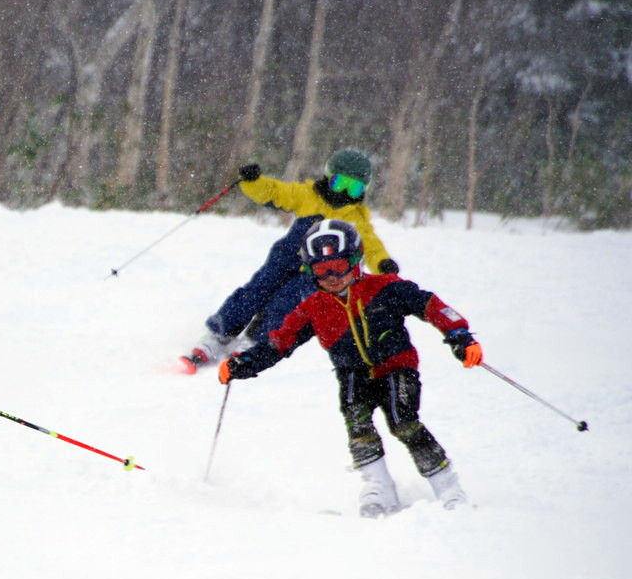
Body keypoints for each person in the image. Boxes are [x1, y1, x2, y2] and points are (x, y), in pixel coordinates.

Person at [216, 219, 481, 516]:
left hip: (396, 366)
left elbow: (431, 305)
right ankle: (378, 486)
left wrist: (459, 335)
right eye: (320, 270)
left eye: (338, 266)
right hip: (352, 372)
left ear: (356, 261)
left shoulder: (385, 288)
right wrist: (247, 362)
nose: (331, 277)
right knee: (357, 422)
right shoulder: (313, 307)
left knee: (402, 421)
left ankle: (447, 487)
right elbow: (280, 341)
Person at [181, 148, 398, 373]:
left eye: (353, 188)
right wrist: (253, 181)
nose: (343, 193)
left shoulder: (355, 218)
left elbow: (371, 246)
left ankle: (255, 341)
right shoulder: (307, 195)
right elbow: (274, 192)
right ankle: (218, 334)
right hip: (285, 258)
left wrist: (383, 264)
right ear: (328, 177)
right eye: (339, 183)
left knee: (286, 303)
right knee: (256, 290)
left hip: (314, 273)